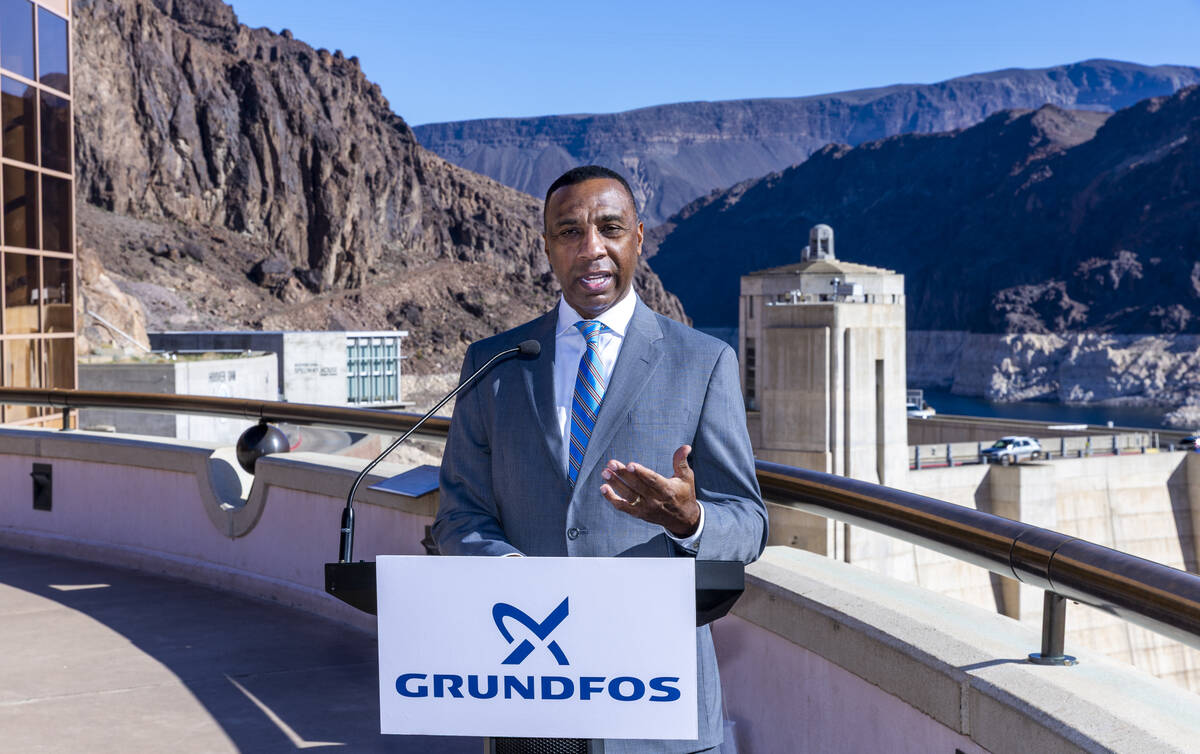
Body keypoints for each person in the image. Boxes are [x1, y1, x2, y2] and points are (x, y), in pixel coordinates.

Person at [434, 165, 767, 753]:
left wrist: (690, 520)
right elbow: (459, 515)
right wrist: (515, 576)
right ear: (546, 247)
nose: (591, 248)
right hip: (532, 698)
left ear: (638, 238)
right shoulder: (493, 364)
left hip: (655, 700)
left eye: (610, 228)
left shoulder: (704, 362)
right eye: (570, 232)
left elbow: (749, 524)